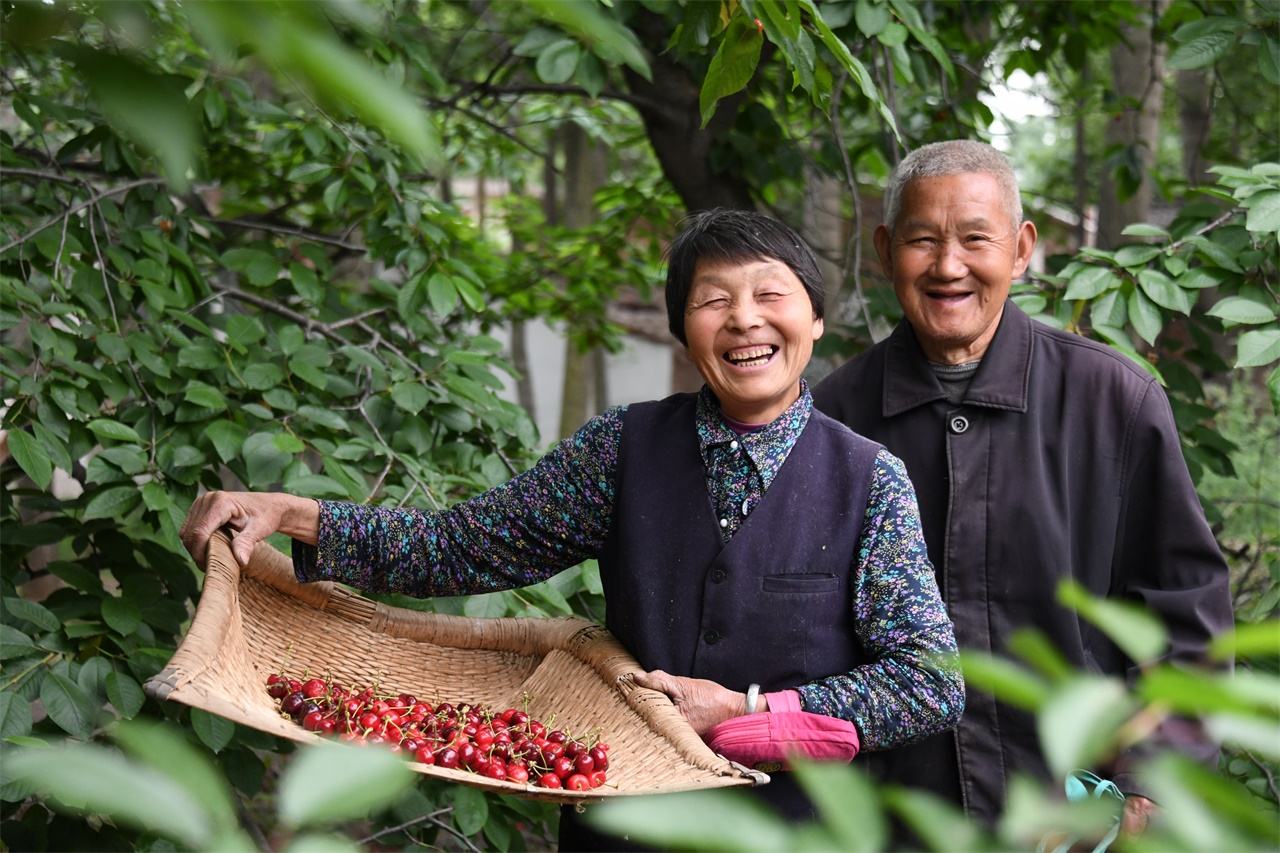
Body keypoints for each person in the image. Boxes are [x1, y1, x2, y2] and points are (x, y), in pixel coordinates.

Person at [180, 209, 964, 848]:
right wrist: (296, 514)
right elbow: (462, 545)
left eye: (770, 294)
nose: (744, 319)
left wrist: (749, 709)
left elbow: (928, 682)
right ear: (682, 328)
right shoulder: (622, 448)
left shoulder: (869, 481)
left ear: (816, 319)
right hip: (619, 828)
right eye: (713, 300)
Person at [813, 140, 1233, 835]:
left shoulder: (1113, 400)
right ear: (886, 252)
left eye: (976, 239)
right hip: (896, 821)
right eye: (923, 240)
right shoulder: (834, 420)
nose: (949, 266)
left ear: (1020, 250)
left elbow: (1186, 615)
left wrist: (1152, 781)